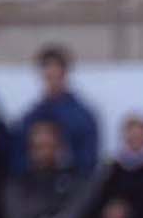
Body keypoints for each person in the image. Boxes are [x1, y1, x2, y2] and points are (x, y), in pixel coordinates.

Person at [14, 44, 99, 176]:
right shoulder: (31, 116)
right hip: (35, 188)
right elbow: (19, 155)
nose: (52, 78)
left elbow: (88, 160)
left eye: (56, 73)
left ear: (65, 73)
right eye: (48, 73)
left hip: (71, 187)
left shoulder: (83, 116)